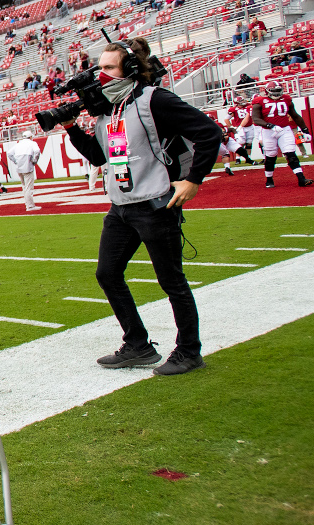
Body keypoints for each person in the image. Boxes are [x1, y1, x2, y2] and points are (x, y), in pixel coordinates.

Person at [61, 37, 220, 376]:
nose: (99, 74)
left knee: (171, 281)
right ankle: (138, 345)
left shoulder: (155, 100)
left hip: (155, 204)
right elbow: (99, 156)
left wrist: (193, 179)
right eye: (98, 67)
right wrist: (72, 129)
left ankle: (189, 350)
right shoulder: (107, 108)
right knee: (107, 273)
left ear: (130, 69)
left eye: (107, 67)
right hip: (120, 207)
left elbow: (208, 132)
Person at [252, 81, 313, 188]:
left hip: (285, 129)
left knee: (290, 153)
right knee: (271, 156)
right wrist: (270, 125)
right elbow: (256, 119)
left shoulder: (286, 99)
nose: (276, 94)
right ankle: (269, 179)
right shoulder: (259, 101)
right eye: (274, 91)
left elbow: (295, 116)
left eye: (278, 91)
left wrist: (305, 129)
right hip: (268, 131)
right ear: (267, 91)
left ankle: (301, 179)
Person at [9, 130, 42, 210]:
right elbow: (37, 151)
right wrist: (35, 160)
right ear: (30, 137)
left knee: (24, 187)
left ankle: (28, 204)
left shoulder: (18, 144)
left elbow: (9, 153)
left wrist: (15, 161)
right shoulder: (32, 143)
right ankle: (30, 206)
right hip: (27, 167)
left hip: (19, 168)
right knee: (28, 187)